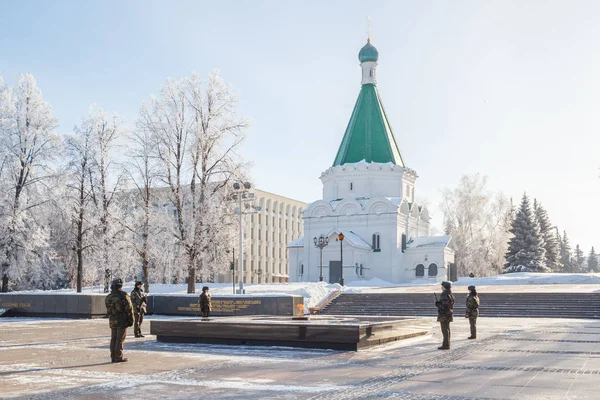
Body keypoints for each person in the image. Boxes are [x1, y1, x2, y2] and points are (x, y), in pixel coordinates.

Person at [105, 278, 134, 363]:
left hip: (112, 319)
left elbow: (108, 309)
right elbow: (129, 308)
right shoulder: (123, 295)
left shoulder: (108, 297)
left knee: (113, 338)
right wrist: (131, 320)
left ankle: (113, 357)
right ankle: (118, 357)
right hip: (122, 319)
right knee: (120, 339)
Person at [435, 281, 455, 350]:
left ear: (444, 287)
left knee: (444, 330)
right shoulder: (450, 294)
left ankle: (446, 345)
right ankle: (447, 343)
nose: (441, 287)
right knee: (447, 329)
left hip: (444, 314)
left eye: (442, 286)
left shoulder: (444, 294)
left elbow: (443, 306)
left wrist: (438, 304)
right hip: (449, 313)